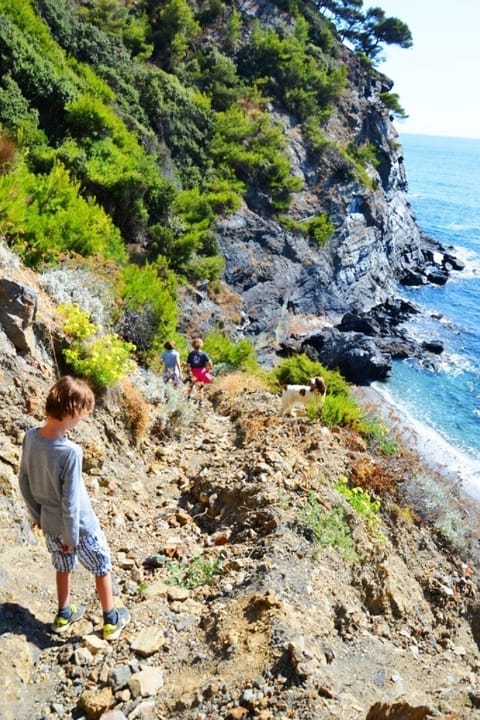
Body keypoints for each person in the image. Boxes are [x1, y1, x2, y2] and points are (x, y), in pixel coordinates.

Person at [18, 375, 130, 640]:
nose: (81, 421)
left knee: (62, 566)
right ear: (71, 412)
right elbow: (69, 500)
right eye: (81, 415)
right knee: (102, 564)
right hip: (79, 527)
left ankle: (63, 614)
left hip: (50, 523)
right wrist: (71, 537)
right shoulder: (70, 451)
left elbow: (24, 482)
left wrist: (39, 517)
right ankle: (111, 620)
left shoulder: (30, 438)